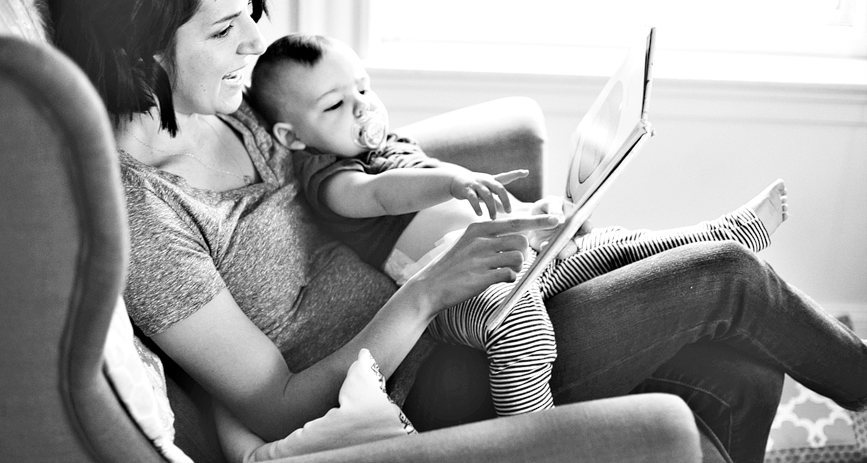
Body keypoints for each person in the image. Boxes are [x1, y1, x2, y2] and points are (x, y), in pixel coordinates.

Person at [47, 0, 867, 463]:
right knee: (725, 278)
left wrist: (446, 200)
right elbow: (279, 405)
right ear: (139, 50)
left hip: (458, 311)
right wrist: (432, 289)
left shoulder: (234, 107)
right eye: (225, 31)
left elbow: (363, 155)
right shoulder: (147, 218)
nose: (251, 49)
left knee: (740, 360)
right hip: (422, 388)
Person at [247, 33, 790, 417]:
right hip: (456, 288)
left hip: (516, 250)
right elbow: (380, 194)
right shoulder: (331, 175)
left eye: (363, 88)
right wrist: (454, 183)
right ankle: (534, 431)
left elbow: (424, 179)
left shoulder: (389, 144)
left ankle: (720, 235)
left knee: (610, 245)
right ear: (294, 137)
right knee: (519, 325)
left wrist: (536, 216)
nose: (362, 108)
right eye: (336, 105)